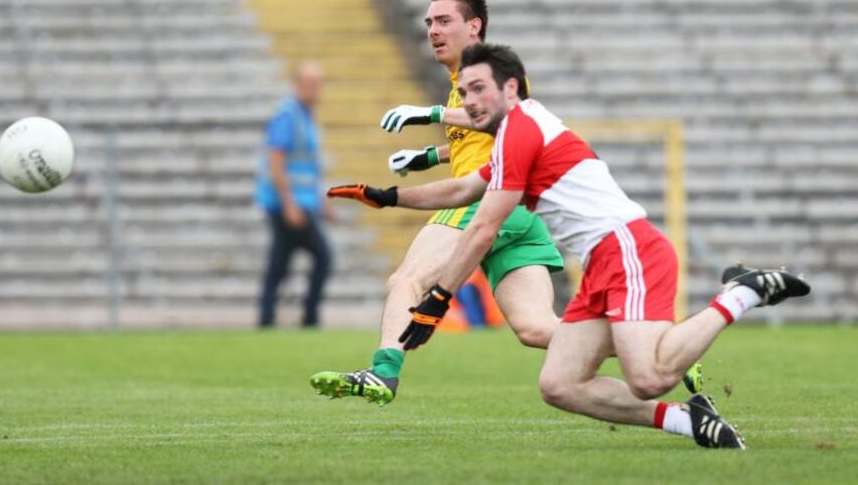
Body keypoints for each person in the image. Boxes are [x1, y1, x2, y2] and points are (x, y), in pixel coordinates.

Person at [328, 43, 810, 448]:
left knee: (648, 376)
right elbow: (461, 190)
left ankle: (741, 293)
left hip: (628, 248)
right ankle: (689, 419)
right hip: (602, 263)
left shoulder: (521, 127)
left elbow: (483, 226)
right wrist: (389, 196)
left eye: (479, 90)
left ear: (511, 89)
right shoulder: (515, 134)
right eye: (465, 91)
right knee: (559, 384)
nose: (470, 101)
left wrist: (437, 298)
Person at [309, 0, 566, 405]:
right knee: (536, 328)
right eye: (429, 22)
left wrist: (427, 113)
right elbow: (483, 140)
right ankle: (655, 344)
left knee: (406, 280)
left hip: (487, 202)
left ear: (474, 26)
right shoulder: (461, 82)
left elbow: (501, 118)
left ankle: (383, 371)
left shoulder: (493, 69)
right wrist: (428, 156)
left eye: (444, 20)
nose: (432, 30)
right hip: (520, 209)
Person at [255, 61, 333, 328]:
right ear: (296, 85)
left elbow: (309, 166)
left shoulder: (305, 116)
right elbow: (276, 161)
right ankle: (309, 318)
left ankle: (266, 319)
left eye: (317, 84)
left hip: (302, 201)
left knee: (280, 262)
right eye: (310, 84)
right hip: (288, 203)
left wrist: (321, 200)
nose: (315, 90)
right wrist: (289, 203)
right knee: (323, 256)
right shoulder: (288, 116)